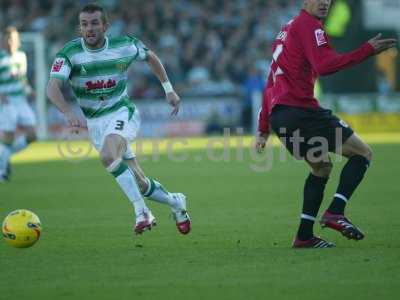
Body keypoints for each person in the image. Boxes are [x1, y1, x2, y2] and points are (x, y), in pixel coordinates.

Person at [255, 0, 397, 248]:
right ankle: (335, 212)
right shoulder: (310, 26)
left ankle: (304, 236)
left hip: (282, 117)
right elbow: (326, 65)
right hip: (302, 111)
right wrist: (366, 50)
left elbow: (271, 80)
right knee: (363, 153)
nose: (324, 3)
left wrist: (264, 127)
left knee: (321, 168)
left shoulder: (286, 29)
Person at [46, 3, 191, 235]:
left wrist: (168, 89)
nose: (89, 29)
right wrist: (67, 112)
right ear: (79, 28)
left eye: (94, 23)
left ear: (106, 26)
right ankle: (176, 202)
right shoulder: (70, 53)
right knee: (141, 183)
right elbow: (52, 86)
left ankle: (142, 212)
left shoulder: (124, 45)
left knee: (107, 155)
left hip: (122, 112)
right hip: (95, 123)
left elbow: (151, 56)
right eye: (84, 24)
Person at [0, 26, 37, 182]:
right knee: (8, 137)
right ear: (2, 41)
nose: (10, 42)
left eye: (13, 39)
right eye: (7, 39)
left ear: (18, 41)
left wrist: (29, 90)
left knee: (33, 135)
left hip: (21, 101)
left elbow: (22, 79)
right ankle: (2, 172)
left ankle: (4, 156)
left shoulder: (22, 56)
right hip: (7, 102)